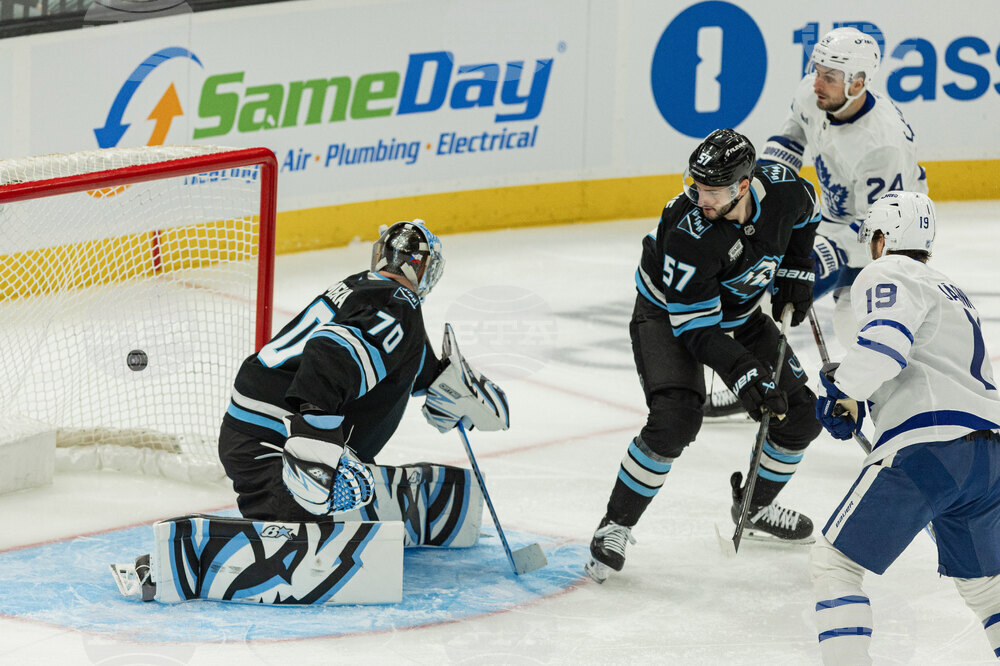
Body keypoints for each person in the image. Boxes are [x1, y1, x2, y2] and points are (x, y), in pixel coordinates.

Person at [585, 128, 824, 583]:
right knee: (676, 418)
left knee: (801, 415)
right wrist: (744, 374)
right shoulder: (689, 232)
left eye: (713, 190)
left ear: (743, 185)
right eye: (696, 186)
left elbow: (808, 210)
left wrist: (797, 268)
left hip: (739, 308)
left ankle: (754, 507)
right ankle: (613, 526)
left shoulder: (783, 189)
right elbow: (696, 330)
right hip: (668, 316)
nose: (701, 198)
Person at [811, 191, 1000, 663]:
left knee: (834, 564)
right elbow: (921, 367)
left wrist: (844, 389)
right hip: (989, 459)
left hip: (931, 450)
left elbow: (883, 349)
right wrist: (856, 398)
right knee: (990, 594)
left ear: (881, 238)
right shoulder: (948, 288)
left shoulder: (886, 270)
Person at [703, 27, 929, 419]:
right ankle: (752, 383)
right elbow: (788, 142)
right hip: (836, 220)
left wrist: (813, 252)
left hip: (884, 234)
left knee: (850, 324)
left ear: (858, 83)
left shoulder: (882, 143)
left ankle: (908, 405)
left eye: (830, 77)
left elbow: (881, 229)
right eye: (817, 70)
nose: (817, 82)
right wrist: (763, 203)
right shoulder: (813, 94)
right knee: (759, 282)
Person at [218, 218, 504, 521]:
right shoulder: (398, 305)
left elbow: (397, 359)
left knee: (344, 501)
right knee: (312, 544)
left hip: (254, 428)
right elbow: (331, 351)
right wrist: (317, 443)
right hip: (280, 444)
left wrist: (445, 383)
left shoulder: (363, 286)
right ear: (425, 269)